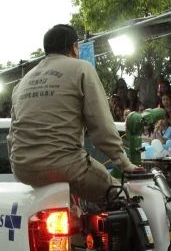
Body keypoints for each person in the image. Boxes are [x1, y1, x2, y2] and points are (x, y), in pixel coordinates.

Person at [8, 24, 136, 203]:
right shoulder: (82, 68)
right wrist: (124, 164)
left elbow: (11, 136)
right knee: (124, 197)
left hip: (22, 169)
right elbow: (102, 127)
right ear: (75, 47)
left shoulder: (22, 83)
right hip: (66, 166)